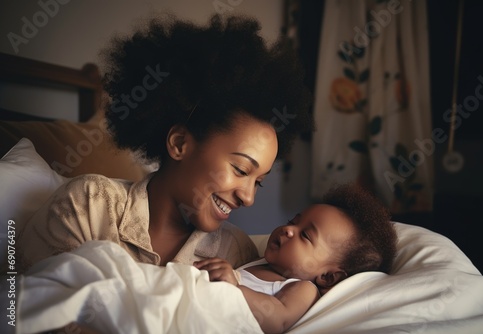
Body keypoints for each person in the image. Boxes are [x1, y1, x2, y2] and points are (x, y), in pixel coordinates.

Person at [14, 13, 313, 274]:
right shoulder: (89, 205)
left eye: (258, 182)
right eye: (240, 169)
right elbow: (32, 309)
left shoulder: (237, 253)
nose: (248, 198)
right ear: (180, 143)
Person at [194, 183, 398, 334]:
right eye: (293, 221)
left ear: (327, 277)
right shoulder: (258, 262)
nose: (289, 230)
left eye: (305, 236)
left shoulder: (302, 289)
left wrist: (235, 289)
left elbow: (277, 319)